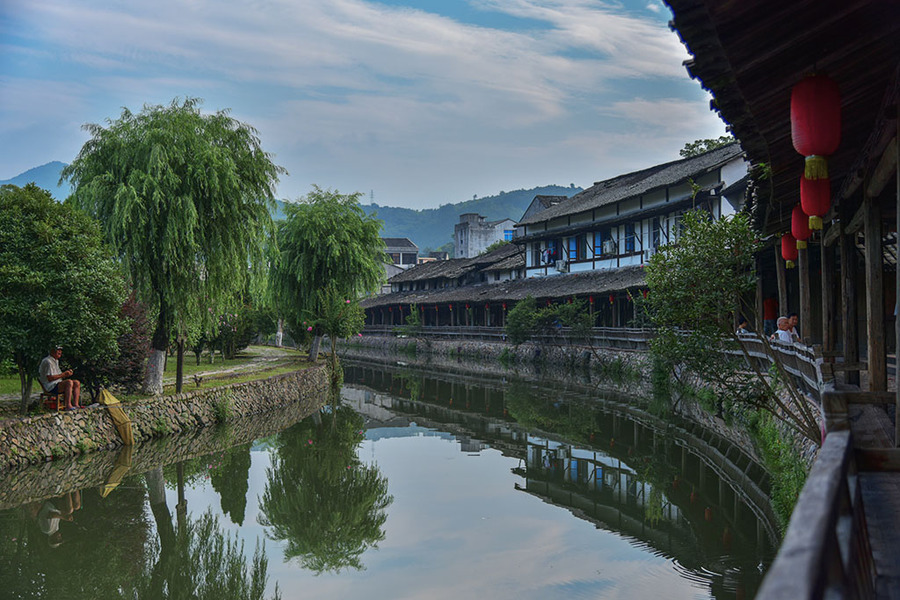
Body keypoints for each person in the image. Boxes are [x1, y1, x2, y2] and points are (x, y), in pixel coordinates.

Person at [39, 345, 81, 410]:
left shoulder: (56, 361)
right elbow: (50, 378)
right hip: (50, 386)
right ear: (52, 351)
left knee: (76, 382)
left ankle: (76, 404)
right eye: (58, 350)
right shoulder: (48, 361)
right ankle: (68, 405)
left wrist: (67, 374)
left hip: (57, 383)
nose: (60, 352)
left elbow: (59, 375)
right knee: (69, 382)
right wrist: (64, 374)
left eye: (60, 350)